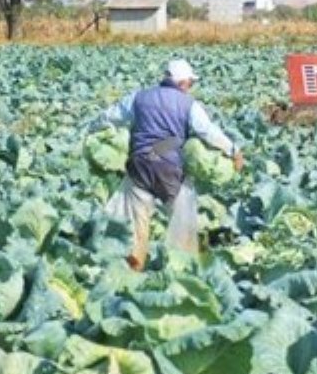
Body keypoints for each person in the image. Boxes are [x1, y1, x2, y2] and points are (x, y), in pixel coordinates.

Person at [93, 58, 243, 270]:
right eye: (190, 83)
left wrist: (94, 132)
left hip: (141, 164)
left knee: (135, 223)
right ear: (182, 83)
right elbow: (208, 131)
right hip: (170, 168)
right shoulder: (188, 104)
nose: (190, 88)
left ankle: (133, 267)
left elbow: (108, 117)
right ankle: (181, 267)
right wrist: (234, 151)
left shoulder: (139, 97)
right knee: (182, 219)